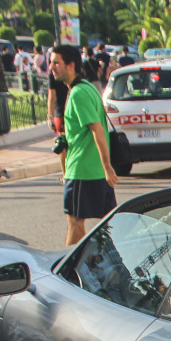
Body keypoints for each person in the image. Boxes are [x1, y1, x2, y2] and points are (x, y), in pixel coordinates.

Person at [50, 44, 117, 246]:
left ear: (71, 65)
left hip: (82, 170)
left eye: (56, 63)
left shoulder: (79, 93)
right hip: (92, 169)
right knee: (107, 225)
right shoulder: (89, 88)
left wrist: (107, 167)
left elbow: (97, 129)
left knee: (75, 222)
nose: (52, 67)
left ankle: (65, 272)